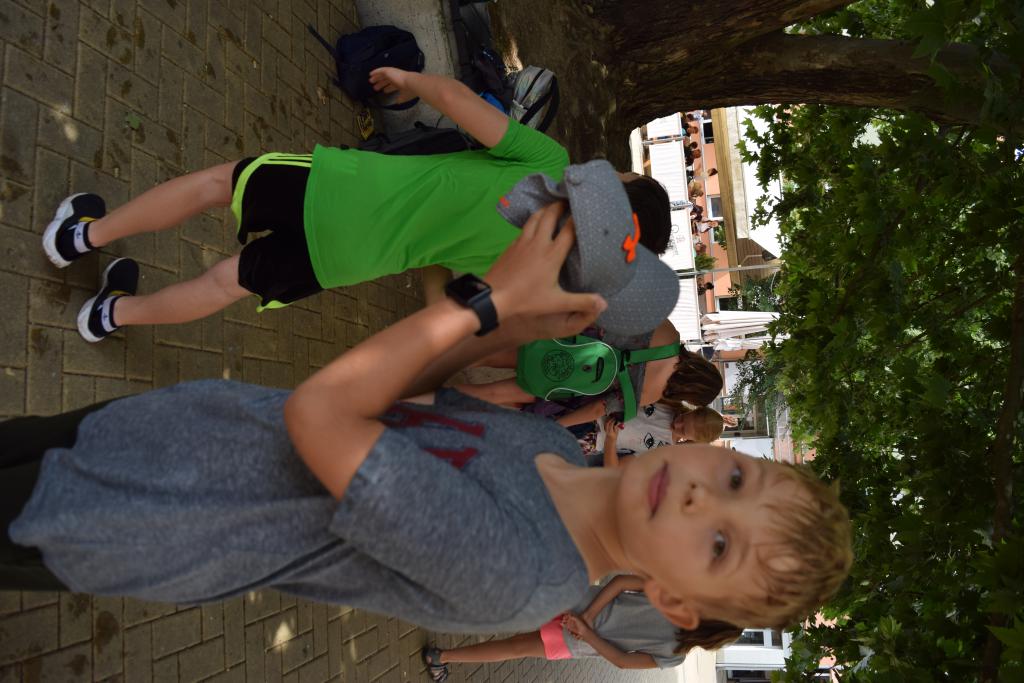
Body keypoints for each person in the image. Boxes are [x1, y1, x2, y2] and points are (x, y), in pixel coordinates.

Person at [4, 204, 853, 640]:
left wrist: (487, 303)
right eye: (736, 478)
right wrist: (512, 324)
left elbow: (322, 414)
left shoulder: (521, 574)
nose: (705, 500)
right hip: (171, 429)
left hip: (134, 515)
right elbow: (405, 403)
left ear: (670, 599)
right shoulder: (551, 447)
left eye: (720, 545)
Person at [43, 67, 671, 342]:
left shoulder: (551, 165)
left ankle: (80, 238)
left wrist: (409, 80)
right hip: (352, 259)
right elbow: (449, 288)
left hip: (341, 188)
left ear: (618, 188)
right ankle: (110, 316)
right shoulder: (547, 276)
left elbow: (458, 103)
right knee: (226, 283)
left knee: (216, 185)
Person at [421, 575, 742, 680]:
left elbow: (621, 582)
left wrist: (589, 613)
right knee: (514, 648)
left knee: (506, 597)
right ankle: (441, 657)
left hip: (577, 598)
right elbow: (622, 661)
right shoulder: (674, 656)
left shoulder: (678, 596)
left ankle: (437, 588)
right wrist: (586, 631)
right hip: (577, 639)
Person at [599, 405, 726, 468]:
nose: (677, 424)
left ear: (693, 440)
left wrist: (611, 440)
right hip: (598, 402)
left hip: (593, 438)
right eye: (683, 417)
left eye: (683, 430)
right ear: (693, 410)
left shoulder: (663, 452)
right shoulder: (670, 404)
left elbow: (613, 470)